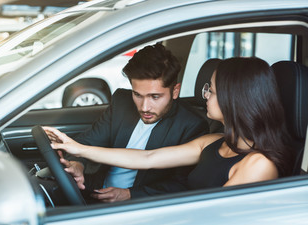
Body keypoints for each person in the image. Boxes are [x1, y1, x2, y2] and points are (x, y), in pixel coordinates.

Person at [44, 57, 293, 192]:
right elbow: (147, 158)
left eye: (212, 91)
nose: (204, 95)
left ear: (234, 100)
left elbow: (212, 220)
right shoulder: (214, 142)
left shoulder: (258, 165)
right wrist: (77, 149)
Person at [47, 43, 209, 203]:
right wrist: (77, 165)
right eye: (138, 95)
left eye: (155, 97)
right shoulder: (122, 102)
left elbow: (182, 185)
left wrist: (130, 194)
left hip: (139, 206)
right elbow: (86, 142)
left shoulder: (191, 125)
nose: (145, 107)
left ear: (175, 91)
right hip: (93, 193)